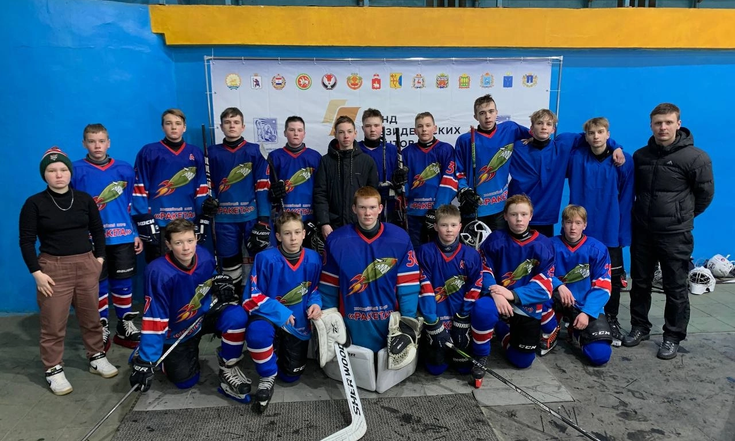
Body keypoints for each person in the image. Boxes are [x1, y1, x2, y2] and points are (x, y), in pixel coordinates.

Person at [20, 147, 118, 396]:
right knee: (53, 323)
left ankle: (96, 356)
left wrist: (98, 260)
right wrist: (37, 273)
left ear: (70, 172)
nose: (58, 175)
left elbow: (98, 231)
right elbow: (26, 241)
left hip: (86, 265)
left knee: (91, 317)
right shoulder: (34, 204)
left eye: (63, 169)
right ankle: (53, 368)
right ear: (44, 175)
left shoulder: (84, 199)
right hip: (52, 269)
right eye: (52, 170)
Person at [623, 103, 714, 360]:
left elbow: (705, 195)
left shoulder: (696, 158)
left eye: (668, 122)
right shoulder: (641, 156)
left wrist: (681, 216)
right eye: (658, 123)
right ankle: (639, 327)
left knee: (675, 287)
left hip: (675, 235)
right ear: (651, 125)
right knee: (640, 283)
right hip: (643, 231)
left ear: (678, 124)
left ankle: (672, 336)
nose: (663, 127)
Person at [130, 219, 252, 402]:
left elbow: (209, 278)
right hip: (178, 330)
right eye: (178, 243)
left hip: (203, 315)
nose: (186, 248)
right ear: (168, 244)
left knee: (236, 315)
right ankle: (151, 352)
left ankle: (229, 367)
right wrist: (147, 360)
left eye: (190, 241)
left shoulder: (204, 256)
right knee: (185, 382)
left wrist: (219, 283)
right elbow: (155, 317)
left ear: (196, 238)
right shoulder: (158, 272)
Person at [319, 186, 420, 355]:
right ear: (354, 209)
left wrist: (408, 320)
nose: (367, 213)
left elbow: (408, 285)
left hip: (389, 324)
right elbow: (329, 287)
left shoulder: (400, 238)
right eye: (362, 207)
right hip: (351, 324)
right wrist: (331, 320)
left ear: (380, 208)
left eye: (372, 207)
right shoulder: (336, 241)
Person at [72, 124, 144, 352]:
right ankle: (101, 326)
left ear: (109, 142)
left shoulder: (124, 169)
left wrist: (134, 232)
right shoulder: (75, 170)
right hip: (92, 239)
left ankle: (124, 325)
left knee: (123, 282)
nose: (97, 146)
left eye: (101, 141)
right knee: (98, 283)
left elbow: (131, 203)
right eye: (92, 141)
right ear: (84, 143)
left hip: (122, 237)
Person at [242, 211, 323, 413]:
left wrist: (316, 303)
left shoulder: (314, 258)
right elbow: (251, 297)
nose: (293, 238)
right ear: (278, 236)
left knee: (290, 377)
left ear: (304, 234)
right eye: (287, 233)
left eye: (297, 232)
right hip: (268, 317)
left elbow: (314, 289)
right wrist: (280, 312)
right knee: (257, 333)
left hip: (298, 325)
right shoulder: (264, 258)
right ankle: (267, 375)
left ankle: (275, 355)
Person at [566, 117, 634, 345]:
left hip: (610, 229)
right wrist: (615, 145)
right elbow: (565, 141)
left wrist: (622, 233)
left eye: (601, 132)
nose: (596, 136)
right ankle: (572, 315)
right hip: (580, 231)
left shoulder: (623, 161)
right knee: (577, 274)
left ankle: (611, 319)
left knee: (612, 279)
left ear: (608, 133)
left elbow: (627, 199)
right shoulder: (576, 157)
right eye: (591, 133)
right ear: (585, 136)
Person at [508, 109, 625, 237]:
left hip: (545, 217)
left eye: (548, 124)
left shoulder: (563, 145)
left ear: (553, 129)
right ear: (531, 128)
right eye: (539, 123)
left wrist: (616, 146)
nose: (544, 127)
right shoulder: (517, 147)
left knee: (542, 250)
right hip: (517, 213)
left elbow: (594, 136)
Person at [416, 204, 495, 388]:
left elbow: (475, 285)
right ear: (436, 226)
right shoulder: (424, 252)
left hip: (460, 318)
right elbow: (424, 287)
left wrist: (463, 317)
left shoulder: (471, 255)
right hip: (436, 317)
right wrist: (432, 322)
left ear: (460, 226)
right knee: (435, 369)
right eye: (444, 225)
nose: (449, 230)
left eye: (453, 225)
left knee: (463, 368)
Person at [479, 194, 554, 371]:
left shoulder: (543, 244)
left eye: (523, 214)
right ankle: (484, 347)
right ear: (505, 216)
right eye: (513, 214)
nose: (519, 219)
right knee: (482, 310)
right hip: (498, 299)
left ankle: (503, 330)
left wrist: (513, 294)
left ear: (531, 216)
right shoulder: (495, 240)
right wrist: (496, 293)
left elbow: (545, 287)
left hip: (525, 302)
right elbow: (483, 271)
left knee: (522, 361)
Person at [537, 205, 613, 366]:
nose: (573, 227)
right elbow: (539, 273)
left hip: (583, 305)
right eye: (569, 222)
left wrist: (587, 313)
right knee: (538, 296)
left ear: (585, 225)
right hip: (555, 299)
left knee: (600, 355)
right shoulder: (549, 245)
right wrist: (558, 285)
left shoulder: (598, 249)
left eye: (578, 223)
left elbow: (603, 286)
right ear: (562, 224)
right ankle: (551, 330)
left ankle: (574, 330)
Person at [132, 109, 211, 263]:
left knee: (186, 267)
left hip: (187, 223)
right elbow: (139, 187)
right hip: (159, 224)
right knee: (160, 268)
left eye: (178, 123)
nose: (173, 127)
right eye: (169, 123)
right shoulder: (149, 152)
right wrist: (144, 218)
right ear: (162, 127)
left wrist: (203, 215)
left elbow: (201, 187)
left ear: (184, 127)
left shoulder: (195, 153)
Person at [207, 107, 271, 296]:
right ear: (221, 127)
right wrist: (208, 201)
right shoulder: (211, 153)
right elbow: (208, 184)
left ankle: (259, 297)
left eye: (236, 122)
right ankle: (232, 299)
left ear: (243, 126)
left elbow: (262, 185)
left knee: (260, 258)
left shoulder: (255, 151)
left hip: (251, 217)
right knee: (229, 261)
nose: (232, 126)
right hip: (224, 220)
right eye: (227, 122)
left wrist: (264, 219)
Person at [454, 94, 529, 231]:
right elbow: (458, 171)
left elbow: (534, 134)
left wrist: (531, 138)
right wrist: (464, 191)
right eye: (482, 113)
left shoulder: (510, 129)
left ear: (496, 113)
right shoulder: (465, 140)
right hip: (475, 207)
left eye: (491, 111)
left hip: (500, 207)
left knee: (498, 243)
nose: (487, 116)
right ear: (476, 117)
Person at [313, 116, 379, 239]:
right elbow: (320, 194)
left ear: (355, 133)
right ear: (335, 134)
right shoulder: (325, 161)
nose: (346, 136)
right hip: (333, 226)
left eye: (349, 131)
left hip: (360, 224)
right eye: (341, 132)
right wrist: (324, 223)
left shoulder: (367, 161)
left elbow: (373, 196)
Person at [403, 112, 459, 249]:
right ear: (415, 131)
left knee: (439, 251)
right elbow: (405, 185)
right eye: (420, 126)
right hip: (414, 214)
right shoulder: (406, 152)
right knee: (415, 251)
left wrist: (437, 209)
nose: (424, 129)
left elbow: (449, 181)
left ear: (435, 128)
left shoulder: (446, 150)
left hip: (439, 214)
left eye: (428, 125)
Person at [267, 116, 323, 252]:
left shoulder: (315, 157)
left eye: (299, 130)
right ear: (285, 133)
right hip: (284, 219)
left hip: (309, 218)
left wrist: (319, 218)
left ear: (304, 133)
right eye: (291, 130)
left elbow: (321, 189)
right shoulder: (274, 156)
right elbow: (267, 189)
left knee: (308, 255)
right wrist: (273, 192)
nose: (296, 133)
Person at [358, 108, 407, 223]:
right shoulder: (356, 149)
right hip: (364, 203)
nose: (372, 129)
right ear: (362, 128)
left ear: (382, 128)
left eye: (376, 125)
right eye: (368, 126)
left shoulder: (392, 150)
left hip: (388, 204)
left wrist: (400, 180)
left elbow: (401, 182)